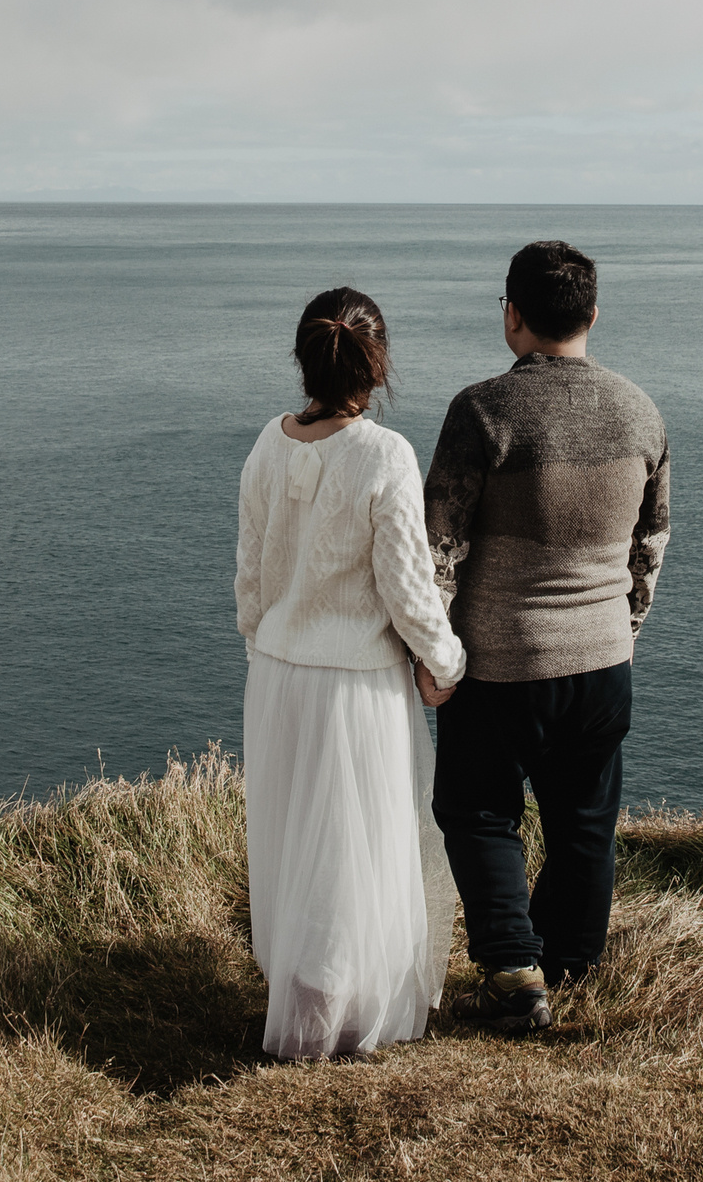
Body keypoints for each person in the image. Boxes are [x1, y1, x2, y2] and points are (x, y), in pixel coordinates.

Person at [423, 240, 671, 1034]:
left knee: (477, 810)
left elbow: (438, 545)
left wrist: (435, 653)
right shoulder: (641, 411)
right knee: (584, 820)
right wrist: (622, 629)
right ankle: (571, 960)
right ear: (593, 314)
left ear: (512, 315)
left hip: (500, 661)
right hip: (603, 660)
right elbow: (650, 545)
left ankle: (514, 972)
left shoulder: (483, 410)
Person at [235, 287, 470, 1059]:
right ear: (378, 365)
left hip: (277, 673)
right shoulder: (384, 454)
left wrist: (266, 647)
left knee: (294, 841)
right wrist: (446, 659)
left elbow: (250, 577)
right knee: (350, 852)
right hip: (354, 683)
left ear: (303, 359)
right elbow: (407, 586)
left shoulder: (266, 444)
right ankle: (332, 1018)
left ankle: (308, 1000)